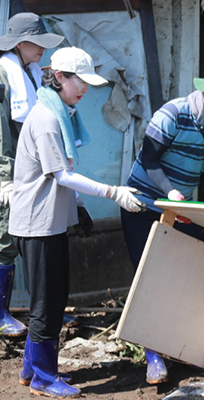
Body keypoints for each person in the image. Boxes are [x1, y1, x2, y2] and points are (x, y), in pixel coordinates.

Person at [9, 46, 146, 398]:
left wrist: (80, 206)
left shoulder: (63, 113)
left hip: (51, 222)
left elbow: (64, 173)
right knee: (47, 303)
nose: (84, 88)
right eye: (79, 81)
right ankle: (43, 377)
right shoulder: (47, 119)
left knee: (54, 298)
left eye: (87, 82)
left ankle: (32, 368)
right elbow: (63, 175)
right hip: (37, 225)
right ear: (59, 77)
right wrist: (113, 192)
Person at [121, 61, 204, 385]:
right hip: (143, 203)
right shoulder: (173, 113)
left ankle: (181, 346)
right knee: (149, 276)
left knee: (186, 275)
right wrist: (170, 191)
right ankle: (153, 356)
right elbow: (148, 159)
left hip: (180, 208)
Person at [0, 12, 64, 339]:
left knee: (35, 235)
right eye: (37, 43)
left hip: (31, 165)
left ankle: (43, 309)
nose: (43, 48)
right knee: (6, 237)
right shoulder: (4, 75)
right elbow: (1, 132)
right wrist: (4, 177)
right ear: (20, 44)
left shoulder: (32, 71)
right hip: (10, 166)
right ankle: (1, 312)